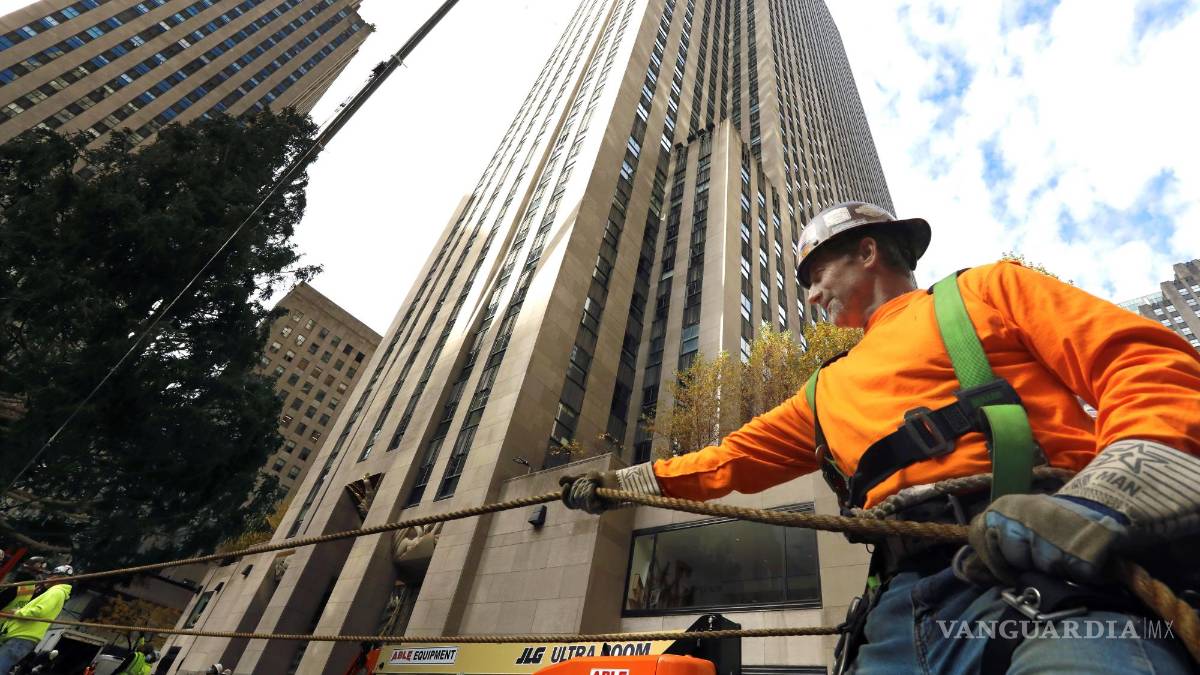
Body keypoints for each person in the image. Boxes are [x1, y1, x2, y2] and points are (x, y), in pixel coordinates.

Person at [560, 201, 1200, 674]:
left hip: (1053, 571)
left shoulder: (984, 290)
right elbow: (728, 462)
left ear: (867, 251)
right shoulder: (822, 389)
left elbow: (1139, 360)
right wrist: (618, 485)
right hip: (897, 615)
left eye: (815, 276)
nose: (809, 297)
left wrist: (1112, 493)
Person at [0, 578, 71, 674]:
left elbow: (39, 611)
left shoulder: (56, 592)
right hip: (20, 636)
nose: (46, 579)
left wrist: (17, 612)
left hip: (22, 636)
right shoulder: (54, 592)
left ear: (57, 578)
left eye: (50, 576)